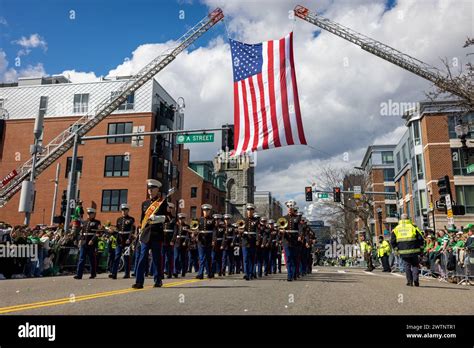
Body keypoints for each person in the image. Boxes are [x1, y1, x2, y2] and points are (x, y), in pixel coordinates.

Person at [132, 179, 168, 289]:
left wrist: (156, 218)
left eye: (152, 189)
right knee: (142, 257)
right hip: (145, 233)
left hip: (156, 233)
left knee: (156, 258)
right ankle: (139, 282)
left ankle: (158, 280)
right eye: (149, 189)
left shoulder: (162, 202)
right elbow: (142, 220)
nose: (150, 191)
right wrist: (139, 231)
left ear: (157, 190)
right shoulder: (145, 204)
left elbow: (167, 218)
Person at [390, 214, 424, 287]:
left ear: (401, 219)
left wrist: (396, 250)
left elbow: (392, 241)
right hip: (414, 250)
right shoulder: (413, 227)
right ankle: (416, 279)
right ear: (408, 219)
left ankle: (410, 281)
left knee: (407, 266)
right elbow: (420, 238)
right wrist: (421, 248)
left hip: (403, 251)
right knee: (415, 265)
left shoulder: (396, 229)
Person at [74, 208, 102, 280]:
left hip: (91, 243)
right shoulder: (85, 222)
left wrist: (93, 240)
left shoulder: (97, 222)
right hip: (84, 242)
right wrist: (80, 239)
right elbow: (82, 232)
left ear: (94, 214)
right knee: (81, 258)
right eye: (88, 214)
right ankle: (79, 274)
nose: (89, 215)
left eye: (90, 214)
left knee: (92, 259)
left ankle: (93, 273)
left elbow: (98, 232)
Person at [109, 204, 135, 279]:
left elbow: (131, 230)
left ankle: (127, 273)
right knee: (117, 256)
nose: (123, 212)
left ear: (128, 210)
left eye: (125, 210)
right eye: (122, 210)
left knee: (126, 257)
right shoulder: (119, 219)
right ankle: (114, 273)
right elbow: (117, 229)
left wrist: (129, 239)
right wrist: (112, 231)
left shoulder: (131, 219)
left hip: (126, 240)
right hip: (119, 240)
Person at [280, 200, 300, 281]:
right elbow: (280, 228)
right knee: (288, 258)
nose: (289, 209)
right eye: (288, 207)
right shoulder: (284, 218)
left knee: (294, 258)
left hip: (294, 241)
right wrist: (281, 231)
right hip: (286, 240)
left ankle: (294, 273)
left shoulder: (297, 218)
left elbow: (300, 228)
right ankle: (289, 275)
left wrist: (300, 235)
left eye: (291, 207)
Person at [195, 204, 215, 279]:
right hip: (201, 241)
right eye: (204, 210)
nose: (205, 212)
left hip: (209, 241)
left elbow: (214, 231)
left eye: (207, 210)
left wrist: (213, 240)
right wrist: (195, 234)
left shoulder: (212, 220)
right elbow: (197, 229)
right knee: (201, 258)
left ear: (209, 211)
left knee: (208, 258)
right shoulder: (200, 220)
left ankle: (209, 272)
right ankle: (200, 273)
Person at [240, 203, 258, 280]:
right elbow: (240, 231)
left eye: (251, 210)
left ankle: (251, 273)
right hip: (245, 242)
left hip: (253, 242)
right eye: (248, 210)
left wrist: (257, 240)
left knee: (252, 259)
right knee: (246, 259)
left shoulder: (256, 221)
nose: (249, 211)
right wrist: (240, 231)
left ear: (253, 211)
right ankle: (247, 273)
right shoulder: (243, 220)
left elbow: (258, 231)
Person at [172, 213, 189, 278]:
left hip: (183, 243)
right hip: (177, 243)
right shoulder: (176, 226)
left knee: (182, 258)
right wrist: (172, 241)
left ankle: (183, 271)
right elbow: (174, 234)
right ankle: (175, 271)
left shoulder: (187, 226)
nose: (181, 220)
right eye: (180, 219)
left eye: (182, 219)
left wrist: (185, 242)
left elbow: (187, 235)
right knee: (176, 257)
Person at [162, 203, 176, 279]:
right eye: (168, 207)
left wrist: (173, 240)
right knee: (162, 257)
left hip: (170, 240)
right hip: (163, 239)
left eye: (171, 208)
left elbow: (175, 231)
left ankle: (169, 272)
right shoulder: (162, 217)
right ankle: (161, 273)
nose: (169, 209)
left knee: (169, 257)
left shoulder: (173, 218)